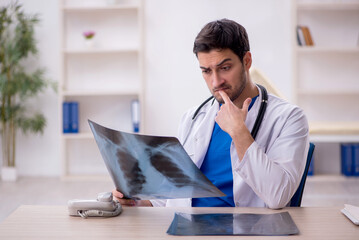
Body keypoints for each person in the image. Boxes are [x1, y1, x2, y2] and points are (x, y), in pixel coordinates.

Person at [113, 18, 309, 209]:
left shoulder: (289, 118)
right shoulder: (193, 118)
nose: (216, 82)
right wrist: (137, 201)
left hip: (245, 228)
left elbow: (278, 196)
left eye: (225, 68)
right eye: (206, 71)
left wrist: (239, 132)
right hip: (188, 226)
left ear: (247, 61)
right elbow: (173, 194)